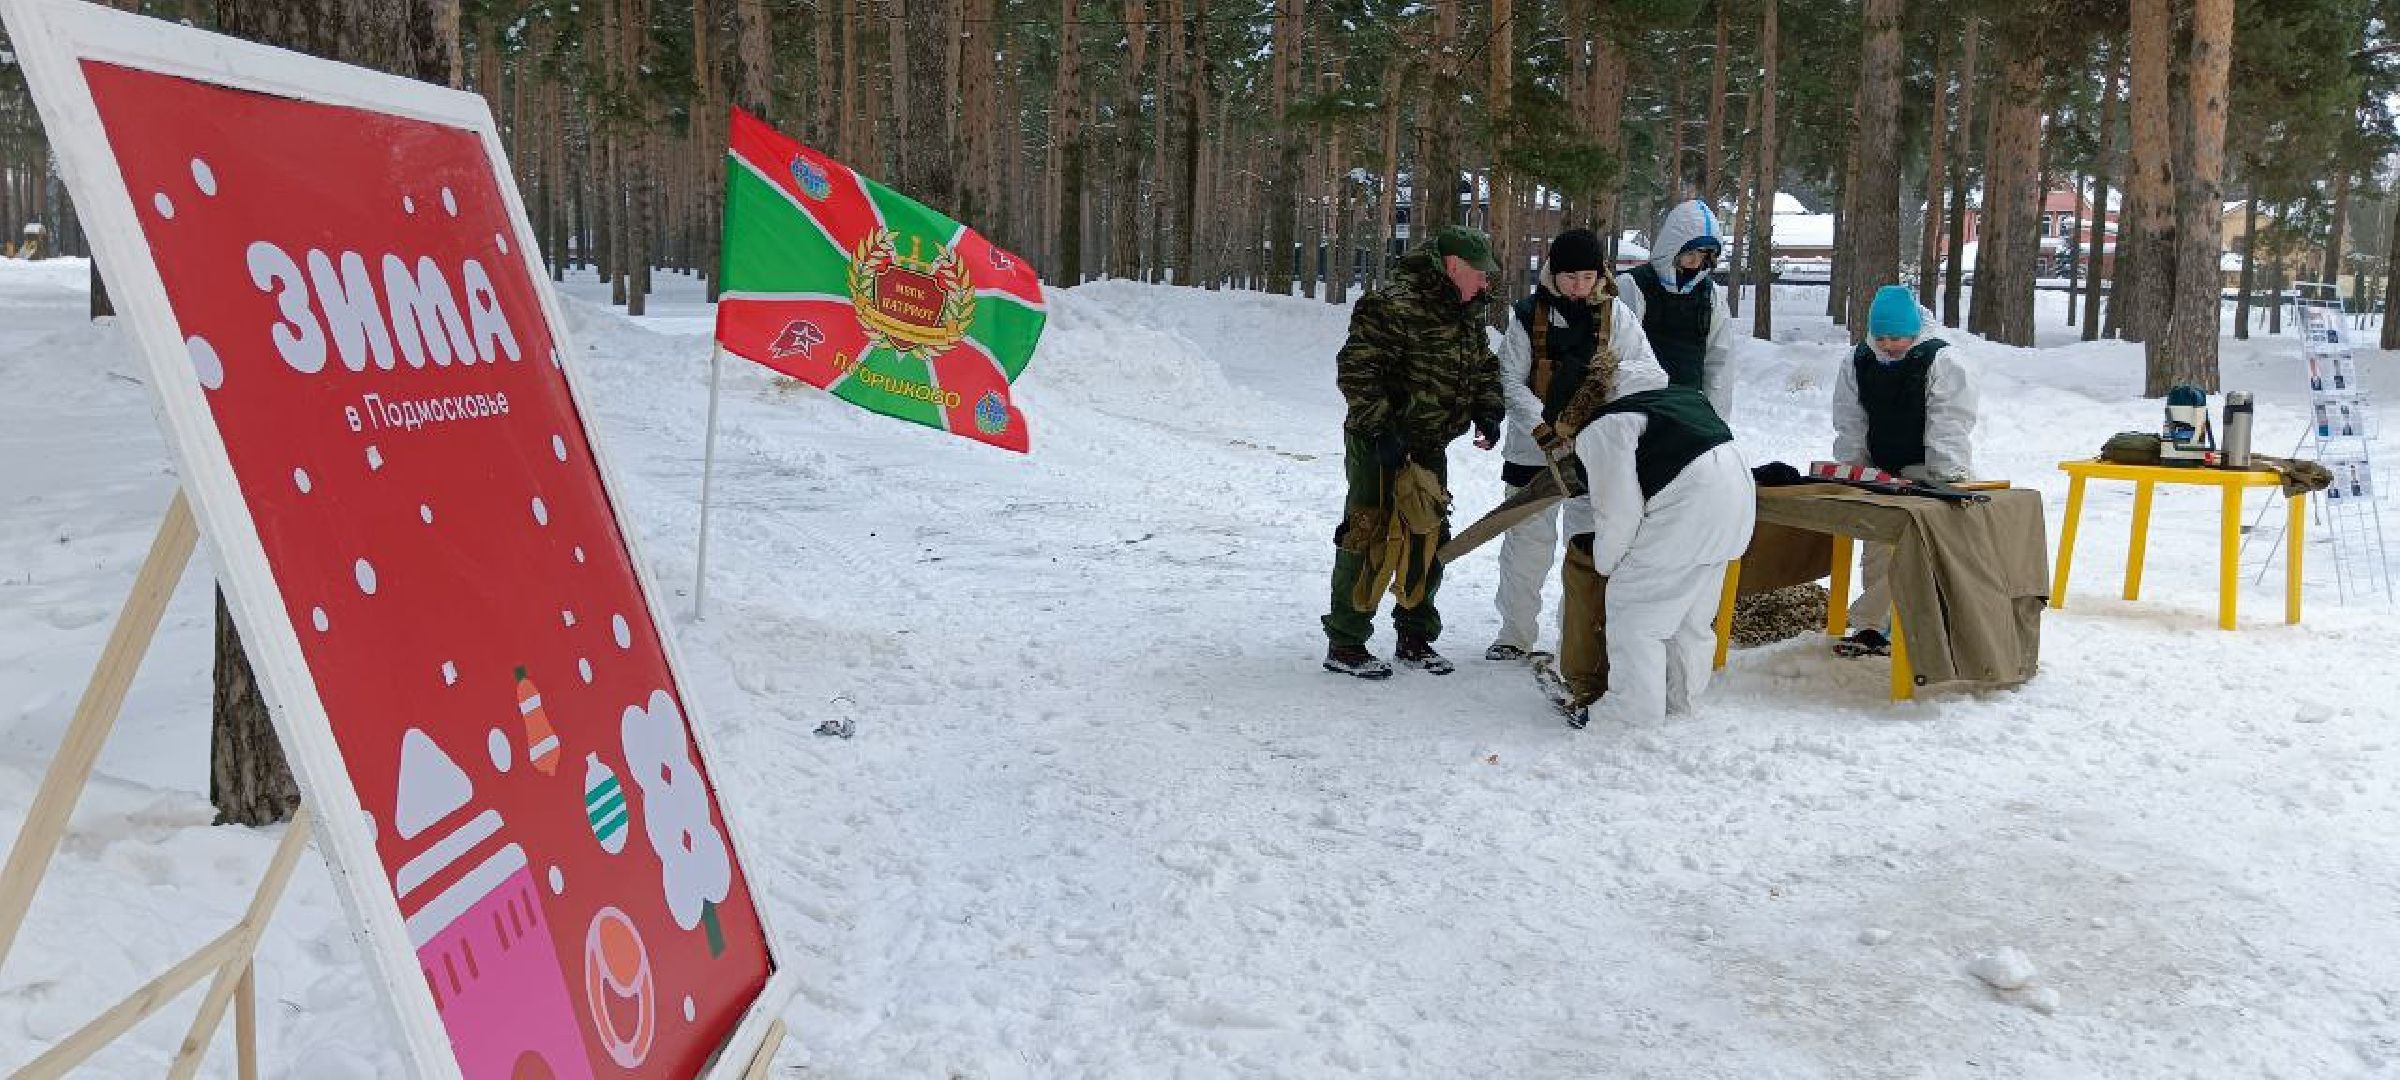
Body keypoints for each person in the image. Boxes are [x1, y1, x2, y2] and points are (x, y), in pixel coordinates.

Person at [1322, 225, 1508, 679]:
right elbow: (1356, 371)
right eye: (1480, 274)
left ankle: (1415, 635)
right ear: (1452, 267)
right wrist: (1383, 429)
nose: (1487, 283)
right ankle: (1346, 642)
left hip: (1429, 445)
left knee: (1428, 536)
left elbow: (1482, 364)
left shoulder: (1466, 309)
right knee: (1369, 533)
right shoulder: (1392, 304)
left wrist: (1488, 410)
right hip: (1379, 444)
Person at [1487, 227, 1664, 664]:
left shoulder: (1617, 315)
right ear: (1553, 273)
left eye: (1588, 277)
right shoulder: (1528, 315)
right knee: (1526, 547)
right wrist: (1539, 428)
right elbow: (1509, 378)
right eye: (1570, 278)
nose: (1579, 287)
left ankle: (1577, 638)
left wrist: (1608, 377)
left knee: (1586, 546)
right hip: (1532, 451)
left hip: (1593, 454)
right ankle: (1515, 635)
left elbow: (1652, 373)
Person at [1564, 384, 1755, 728]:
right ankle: (1683, 704)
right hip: (1736, 498)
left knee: (1636, 618)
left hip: (1688, 505)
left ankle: (1631, 718)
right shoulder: (1674, 398)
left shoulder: (1603, 428)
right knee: (1691, 619)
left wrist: (1606, 563)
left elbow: (1618, 512)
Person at [1828, 284, 1979, 657]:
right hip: (1882, 470)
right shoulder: (1858, 361)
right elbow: (1851, 421)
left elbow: (1949, 422)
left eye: (1898, 337)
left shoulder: (1941, 362)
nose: (1890, 345)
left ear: (1913, 332)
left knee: (1921, 549)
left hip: (1932, 469)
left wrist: (1945, 476)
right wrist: (1851, 471)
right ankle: (1872, 628)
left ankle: (1924, 627)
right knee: (1877, 545)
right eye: (1883, 338)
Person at [1616, 199, 1736, 418]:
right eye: (1691, 254)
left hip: (1690, 408)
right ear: (1673, 248)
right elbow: (1621, 353)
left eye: (1704, 257)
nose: (1696, 263)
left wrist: (1715, 420)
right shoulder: (1633, 286)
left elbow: (1719, 363)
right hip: (1641, 408)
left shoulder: (1711, 296)